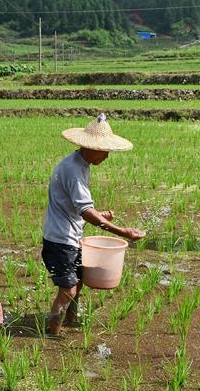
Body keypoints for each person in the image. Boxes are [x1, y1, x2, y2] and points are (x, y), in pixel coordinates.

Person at [42, 114, 146, 336]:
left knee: (77, 283)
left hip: (70, 237)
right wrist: (122, 231)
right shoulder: (73, 169)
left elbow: (80, 207)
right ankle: (53, 333)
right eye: (103, 150)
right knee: (68, 288)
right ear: (88, 146)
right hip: (60, 240)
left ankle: (70, 321)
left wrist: (100, 214)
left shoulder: (82, 164)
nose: (107, 156)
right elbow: (85, 211)